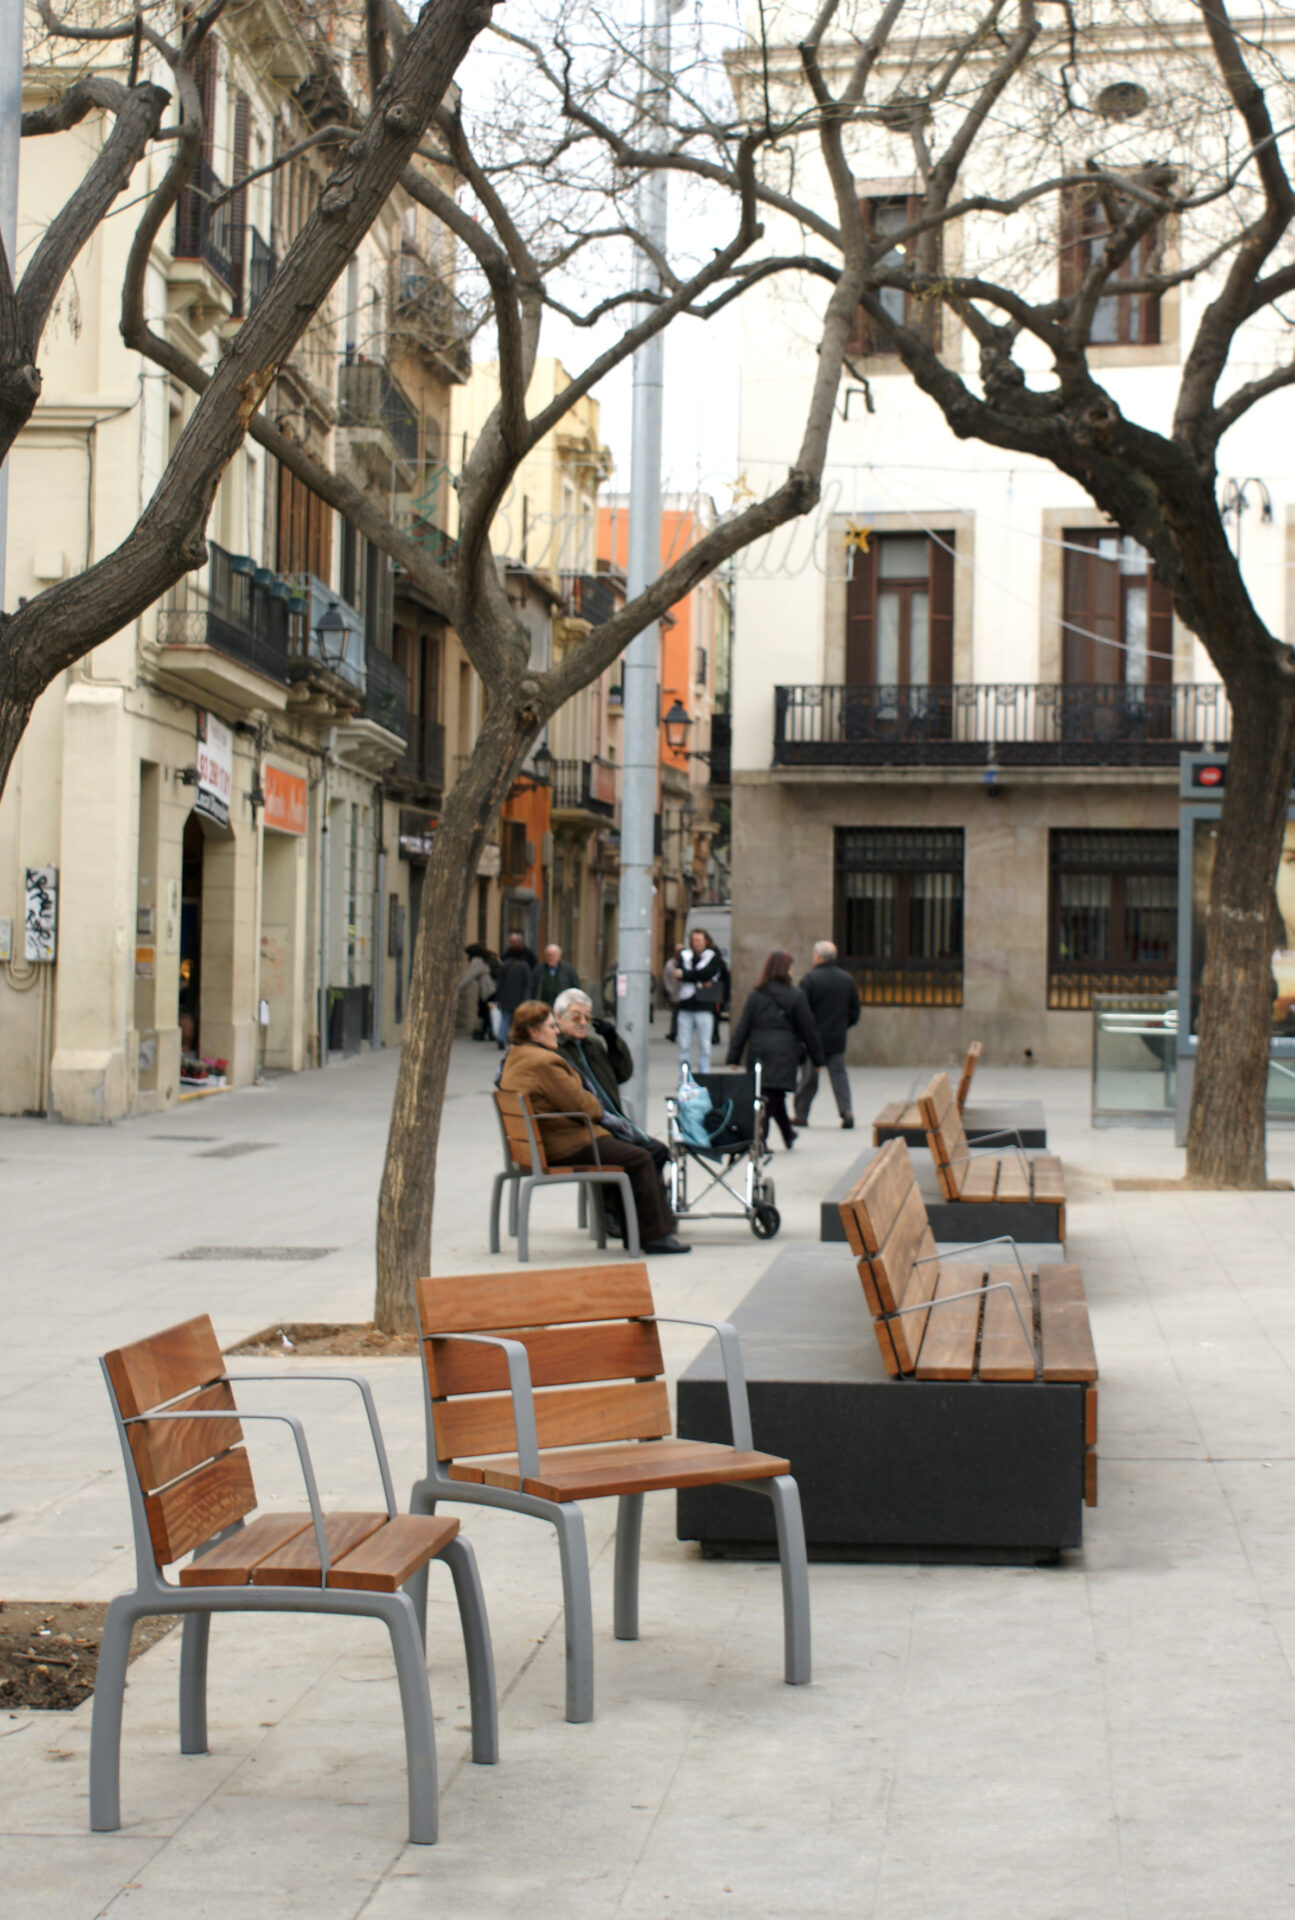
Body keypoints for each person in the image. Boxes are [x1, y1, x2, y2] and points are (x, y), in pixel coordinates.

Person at [499, 1001, 690, 1253]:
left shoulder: (516, 1056)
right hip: (568, 1143)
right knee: (640, 1158)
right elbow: (586, 1106)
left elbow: (615, 1076)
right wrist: (592, 1101)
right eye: (551, 1026)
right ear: (533, 1032)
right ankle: (653, 1236)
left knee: (640, 1152)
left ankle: (636, 1229)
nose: (556, 1031)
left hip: (549, 1140)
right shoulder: (544, 1062)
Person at [727, 950, 823, 1150]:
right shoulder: (795, 995)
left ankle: (788, 1134)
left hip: (758, 1051)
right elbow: (808, 1028)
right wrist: (817, 1059)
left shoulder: (756, 995)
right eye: (791, 967)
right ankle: (759, 1137)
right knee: (773, 1095)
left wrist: (734, 1056)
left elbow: (743, 1026)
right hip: (784, 1052)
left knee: (769, 1093)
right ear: (785, 970)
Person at [793, 939, 860, 1129]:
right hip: (836, 1038)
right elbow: (855, 1010)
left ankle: (801, 1114)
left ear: (819, 957)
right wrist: (843, 1026)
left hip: (813, 1039)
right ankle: (846, 1111)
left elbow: (801, 1011)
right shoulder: (846, 979)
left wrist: (803, 1033)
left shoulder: (810, 980)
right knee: (839, 1075)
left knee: (808, 1079)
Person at [676, 928, 724, 1077]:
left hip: (705, 1005)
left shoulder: (713, 957)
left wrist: (687, 975)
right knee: (684, 1045)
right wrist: (698, 979)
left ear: (706, 942)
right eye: (693, 940)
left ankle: (704, 1076)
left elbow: (707, 973)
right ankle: (685, 1078)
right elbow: (679, 973)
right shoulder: (685, 956)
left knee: (705, 1045)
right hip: (686, 1006)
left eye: (699, 940)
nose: (695, 943)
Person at [489, 932, 537, 1048]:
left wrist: (498, 998)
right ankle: (514, 1038)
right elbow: (528, 984)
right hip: (519, 998)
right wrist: (528, 998)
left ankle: (502, 1038)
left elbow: (499, 983)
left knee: (505, 1019)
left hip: (506, 997)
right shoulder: (525, 967)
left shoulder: (504, 964)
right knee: (516, 1020)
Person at [459, 944, 498, 1042]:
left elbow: (469, 976)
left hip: (487, 989)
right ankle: (489, 1032)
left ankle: (485, 1032)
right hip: (496, 987)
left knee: (485, 1012)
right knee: (490, 1012)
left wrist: (456, 988)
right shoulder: (491, 957)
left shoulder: (477, 961)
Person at [662, 944, 684, 1042]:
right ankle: (673, 1032)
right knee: (675, 1014)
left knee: (682, 1015)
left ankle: (679, 1032)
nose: (679, 954)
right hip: (674, 993)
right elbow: (666, 978)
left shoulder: (686, 963)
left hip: (684, 994)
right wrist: (669, 990)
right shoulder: (670, 964)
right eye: (678, 951)